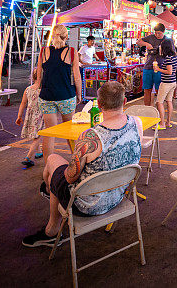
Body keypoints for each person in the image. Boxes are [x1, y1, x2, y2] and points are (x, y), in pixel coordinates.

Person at [23, 81, 143, 248]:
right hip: (118, 195)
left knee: (52, 162)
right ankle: (50, 190)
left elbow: (70, 178)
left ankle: (51, 227)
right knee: (57, 173)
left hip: (87, 205)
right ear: (124, 102)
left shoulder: (90, 137)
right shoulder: (137, 124)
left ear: (99, 105)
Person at [36, 24, 81, 159]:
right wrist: (79, 94)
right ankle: (77, 161)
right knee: (70, 131)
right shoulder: (71, 52)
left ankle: (48, 166)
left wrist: (38, 84)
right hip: (66, 95)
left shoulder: (43, 51)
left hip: (46, 96)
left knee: (50, 133)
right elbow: (77, 77)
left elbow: (39, 72)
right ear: (66, 36)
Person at [16, 69, 43, 168]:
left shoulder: (28, 89)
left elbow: (23, 103)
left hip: (30, 115)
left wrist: (19, 116)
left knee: (35, 134)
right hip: (41, 115)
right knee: (37, 136)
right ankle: (28, 158)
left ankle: (39, 152)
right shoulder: (44, 89)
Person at [137, 23, 166, 107]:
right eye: (156, 33)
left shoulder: (167, 40)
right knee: (147, 89)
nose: (157, 35)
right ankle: (147, 109)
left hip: (160, 68)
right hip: (148, 67)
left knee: (159, 90)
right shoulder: (150, 37)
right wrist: (146, 44)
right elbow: (138, 41)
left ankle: (158, 110)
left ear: (164, 32)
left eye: (159, 33)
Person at [153, 39, 177, 128]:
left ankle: (162, 124)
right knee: (169, 101)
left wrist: (158, 69)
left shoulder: (168, 58)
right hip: (173, 82)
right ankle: (168, 122)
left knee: (159, 102)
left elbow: (169, 71)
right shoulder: (175, 57)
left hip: (166, 83)